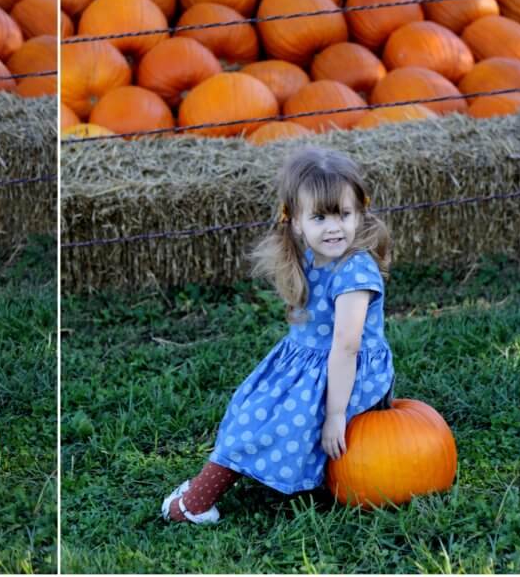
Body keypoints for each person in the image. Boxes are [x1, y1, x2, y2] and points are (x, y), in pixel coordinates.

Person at [161, 147, 394, 523]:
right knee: (250, 411)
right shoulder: (306, 256)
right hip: (305, 361)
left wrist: (335, 414)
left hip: (346, 373)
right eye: (320, 217)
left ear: (360, 213)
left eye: (344, 215)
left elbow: (346, 346)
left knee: (267, 422)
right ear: (296, 222)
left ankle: (196, 503)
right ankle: (220, 486)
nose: (334, 227)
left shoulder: (355, 273)